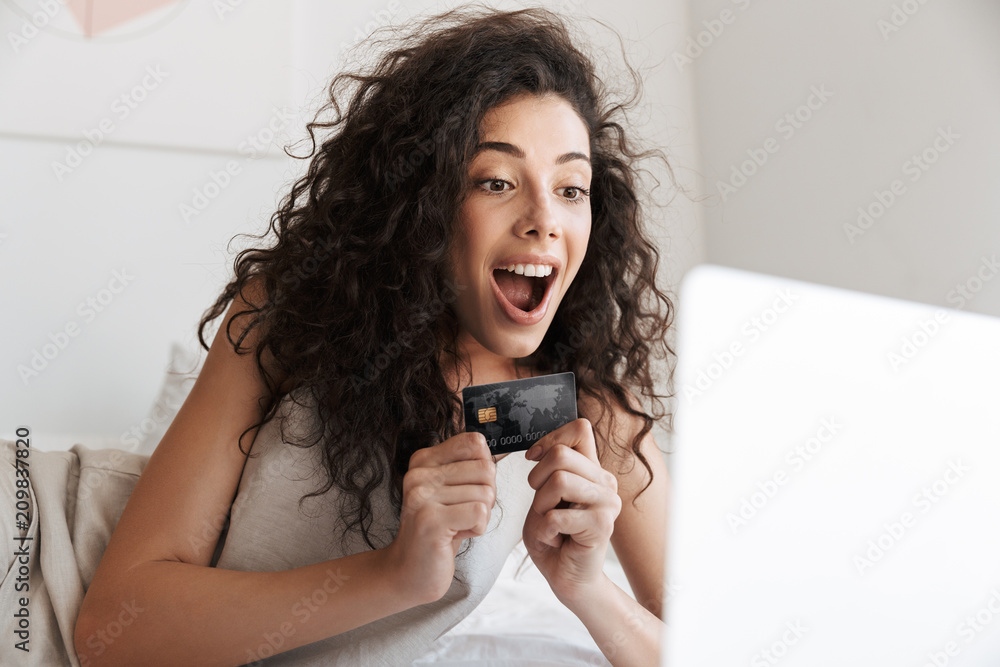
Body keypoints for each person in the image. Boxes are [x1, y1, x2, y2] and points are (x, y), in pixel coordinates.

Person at [8, 5, 677, 666]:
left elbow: (717, 649)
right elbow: (110, 628)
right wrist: (395, 575)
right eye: (496, 181)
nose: (544, 219)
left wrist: (588, 589)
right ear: (424, 198)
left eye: (571, 188)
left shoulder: (583, 408)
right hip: (38, 566)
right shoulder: (293, 311)